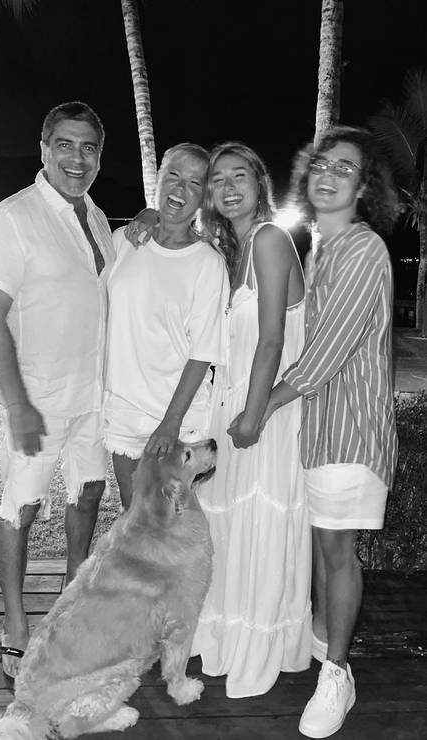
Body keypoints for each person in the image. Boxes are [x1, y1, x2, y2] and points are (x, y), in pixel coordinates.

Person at [262, 126, 399, 738]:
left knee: (338, 554)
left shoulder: (364, 249)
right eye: (322, 163)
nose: (329, 174)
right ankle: (324, 652)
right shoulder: (322, 251)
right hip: (321, 431)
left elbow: (327, 354)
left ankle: (337, 675)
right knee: (323, 548)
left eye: (345, 168)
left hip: (352, 432)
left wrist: (260, 409)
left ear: (364, 187)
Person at [0, 101, 114, 680]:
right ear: (43, 149)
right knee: (22, 507)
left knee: (88, 496)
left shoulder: (99, 218)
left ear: (99, 156)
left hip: (96, 395)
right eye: (65, 144)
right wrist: (16, 404)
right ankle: (14, 622)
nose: (76, 158)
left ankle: (70, 605)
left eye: (88, 147)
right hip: (38, 399)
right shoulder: (14, 217)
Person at [189, 141, 312, 698]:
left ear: (260, 184)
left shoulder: (268, 239)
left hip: (262, 413)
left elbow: (272, 339)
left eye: (239, 175)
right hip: (234, 405)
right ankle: (225, 635)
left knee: (259, 522)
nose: (228, 187)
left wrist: (254, 415)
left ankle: (256, 646)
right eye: (217, 180)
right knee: (230, 526)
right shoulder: (233, 251)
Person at [103, 143, 229, 507]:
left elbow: (203, 352)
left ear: (204, 196)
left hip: (177, 416)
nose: (180, 188)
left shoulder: (207, 263)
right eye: (173, 175)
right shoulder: (124, 242)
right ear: (158, 179)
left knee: (171, 524)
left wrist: (171, 424)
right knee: (133, 516)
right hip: (124, 409)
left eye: (194, 182)